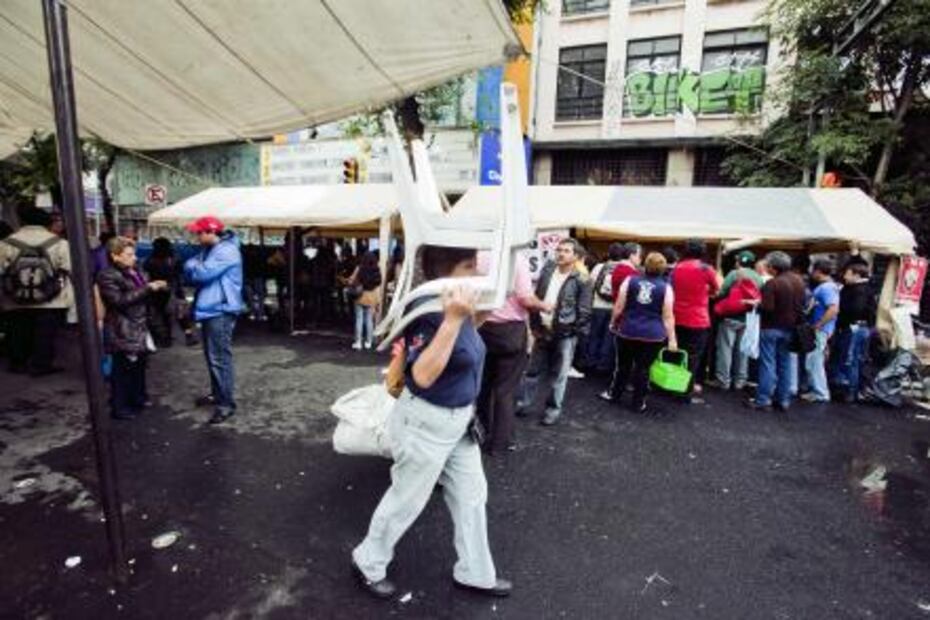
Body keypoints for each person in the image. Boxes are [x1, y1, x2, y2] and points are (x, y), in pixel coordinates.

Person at [352, 245, 511, 600]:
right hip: (426, 421)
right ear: (445, 269)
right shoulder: (427, 308)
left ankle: (475, 573)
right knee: (406, 500)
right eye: (469, 266)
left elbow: (462, 347)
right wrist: (453, 320)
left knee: (472, 497)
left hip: (459, 422)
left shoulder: (457, 301)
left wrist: (475, 316)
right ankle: (368, 562)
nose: (477, 273)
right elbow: (422, 375)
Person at [477, 251, 550, 454]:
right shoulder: (516, 260)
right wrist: (545, 305)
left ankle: (479, 432)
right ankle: (499, 443)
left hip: (480, 326)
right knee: (505, 390)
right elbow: (526, 299)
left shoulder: (478, 255)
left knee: (482, 386)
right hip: (509, 331)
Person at [520, 238, 592, 426]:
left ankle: (552, 410)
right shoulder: (548, 270)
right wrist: (534, 325)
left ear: (575, 256)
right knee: (532, 371)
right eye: (559, 250)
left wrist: (571, 331)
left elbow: (585, 311)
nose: (561, 253)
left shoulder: (582, 279)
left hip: (565, 333)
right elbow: (537, 297)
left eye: (566, 251)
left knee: (559, 375)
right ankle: (523, 403)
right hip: (543, 330)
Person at [97, 237, 167, 419]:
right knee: (123, 368)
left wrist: (156, 287)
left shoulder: (136, 271)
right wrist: (148, 288)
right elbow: (118, 301)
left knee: (139, 366)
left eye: (133, 254)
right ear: (115, 256)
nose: (134, 258)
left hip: (140, 324)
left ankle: (138, 398)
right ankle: (119, 407)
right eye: (129, 254)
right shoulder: (107, 275)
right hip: (123, 326)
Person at [0, 205, 74, 375]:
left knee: (18, 329)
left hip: (15, 298)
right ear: (46, 223)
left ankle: (18, 363)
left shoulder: (6, 243)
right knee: (45, 333)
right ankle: (41, 365)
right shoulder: (59, 243)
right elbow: (69, 268)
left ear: (22, 222)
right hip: (51, 298)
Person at [184, 216, 243, 425]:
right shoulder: (211, 249)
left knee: (219, 358)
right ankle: (218, 395)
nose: (196, 236)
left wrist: (193, 265)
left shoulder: (226, 251)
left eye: (199, 232)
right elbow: (193, 270)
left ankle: (226, 404)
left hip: (220, 308)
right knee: (213, 356)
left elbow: (200, 274)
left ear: (210, 232)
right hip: (213, 308)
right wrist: (195, 265)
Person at [610, 252, 677, 413]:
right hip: (652, 335)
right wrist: (672, 339)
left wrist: (612, 322)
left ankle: (615, 395)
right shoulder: (666, 288)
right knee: (644, 369)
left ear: (645, 265)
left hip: (628, 330)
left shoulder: (630, 280)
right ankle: (638, 403)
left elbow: (619, 306)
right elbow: (667, 316)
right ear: (663, 268)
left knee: (623, 366)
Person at [748, 251, 807, 412]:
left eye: (768, 266)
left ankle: (763, 399)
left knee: (767, 364)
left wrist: (757, 305)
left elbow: (768, 308)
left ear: (773, 268)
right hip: (790, 328)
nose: (767, 268)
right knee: (785, 364)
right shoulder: (799, 282)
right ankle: (783, 400)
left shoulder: (772, 284)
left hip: (771, 327)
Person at [670, 239, 721, 402]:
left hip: (676, 316)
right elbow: (717, 290)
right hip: (698, 319)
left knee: (676, 353)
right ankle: (685, 393)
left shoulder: (677, 267)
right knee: (693, 358)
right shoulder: (706, 269)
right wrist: (705, 291)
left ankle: (672, 386)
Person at [712, 250, 764, 391]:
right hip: (748, 317)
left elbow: (722, 292)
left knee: (725, 349)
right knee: (742, 350)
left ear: (738, 261)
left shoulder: (734, 274)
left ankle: (723, 380)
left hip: (730, 316)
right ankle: (740, 381)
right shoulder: (758, 277)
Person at [601, 242, 643, 401]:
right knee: (623, 358)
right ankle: (616, 386)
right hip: (627, 317)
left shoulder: (620, 269)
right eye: (639, 255)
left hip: (622, 316)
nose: (640, 259)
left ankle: (618, 385)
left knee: (622, 356)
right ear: (632, 255)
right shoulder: (629, 273)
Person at [830, 259, 876, 402]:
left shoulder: (858, 290)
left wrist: (841, 316)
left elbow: (855, 309)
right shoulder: (867, 288)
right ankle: (853, 390)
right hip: (862, 328)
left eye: (848, 274)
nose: (845, 276)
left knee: (850, 359)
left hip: (853, 328)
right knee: (855, 358)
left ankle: (849, 391)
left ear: (856, 275)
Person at [145, 237, 197, 348]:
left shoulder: (151, 260)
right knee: (181, 313)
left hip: (159, 291)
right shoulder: (174, 258)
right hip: (174, 289)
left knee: (164, 315)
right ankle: (188, 335)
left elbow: (148, 274)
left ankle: (167, 338)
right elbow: (180, 274)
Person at [801, 259, 839, 403]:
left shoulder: (826, 288)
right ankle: (815, 390)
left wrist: (819, 324)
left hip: (820, 329)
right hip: (822, 329)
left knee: (815, 362)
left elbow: (833, 309)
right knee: (813, 361)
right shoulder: (828, 287)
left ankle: (820, 392)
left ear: (818, 271)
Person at [585, 243, 624, 376]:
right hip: (614, 307)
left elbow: (590, 285)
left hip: (597, 306)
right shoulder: (623, 269)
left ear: (608, 253)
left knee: (594, 335)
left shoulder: (599, 267)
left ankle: (590, 361)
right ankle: (603, 365)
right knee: (609, 337)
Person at [349, 251, 382, 349]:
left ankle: (358, 342)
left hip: (360, 295)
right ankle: (368, 342)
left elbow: (352, 280)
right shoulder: (376, 269)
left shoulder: (360, 268)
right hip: (371, 296)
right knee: (369, 319)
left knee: (359, 319)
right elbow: (378, 283)